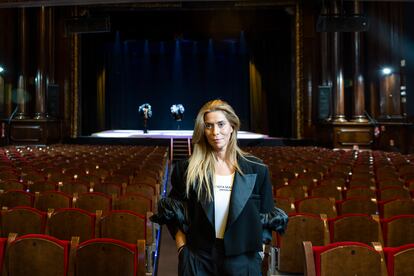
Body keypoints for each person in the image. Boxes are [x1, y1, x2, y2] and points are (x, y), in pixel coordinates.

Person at [151, 99, 288, 275]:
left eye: (221, 124)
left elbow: (267, 216)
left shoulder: (257, 169)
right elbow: (171, 211)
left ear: (232, 126)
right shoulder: (187, 169)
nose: (215, 132)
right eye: (208, 126)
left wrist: (259, 252)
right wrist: (182, 249)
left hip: (243, 261)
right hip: (198, 260)